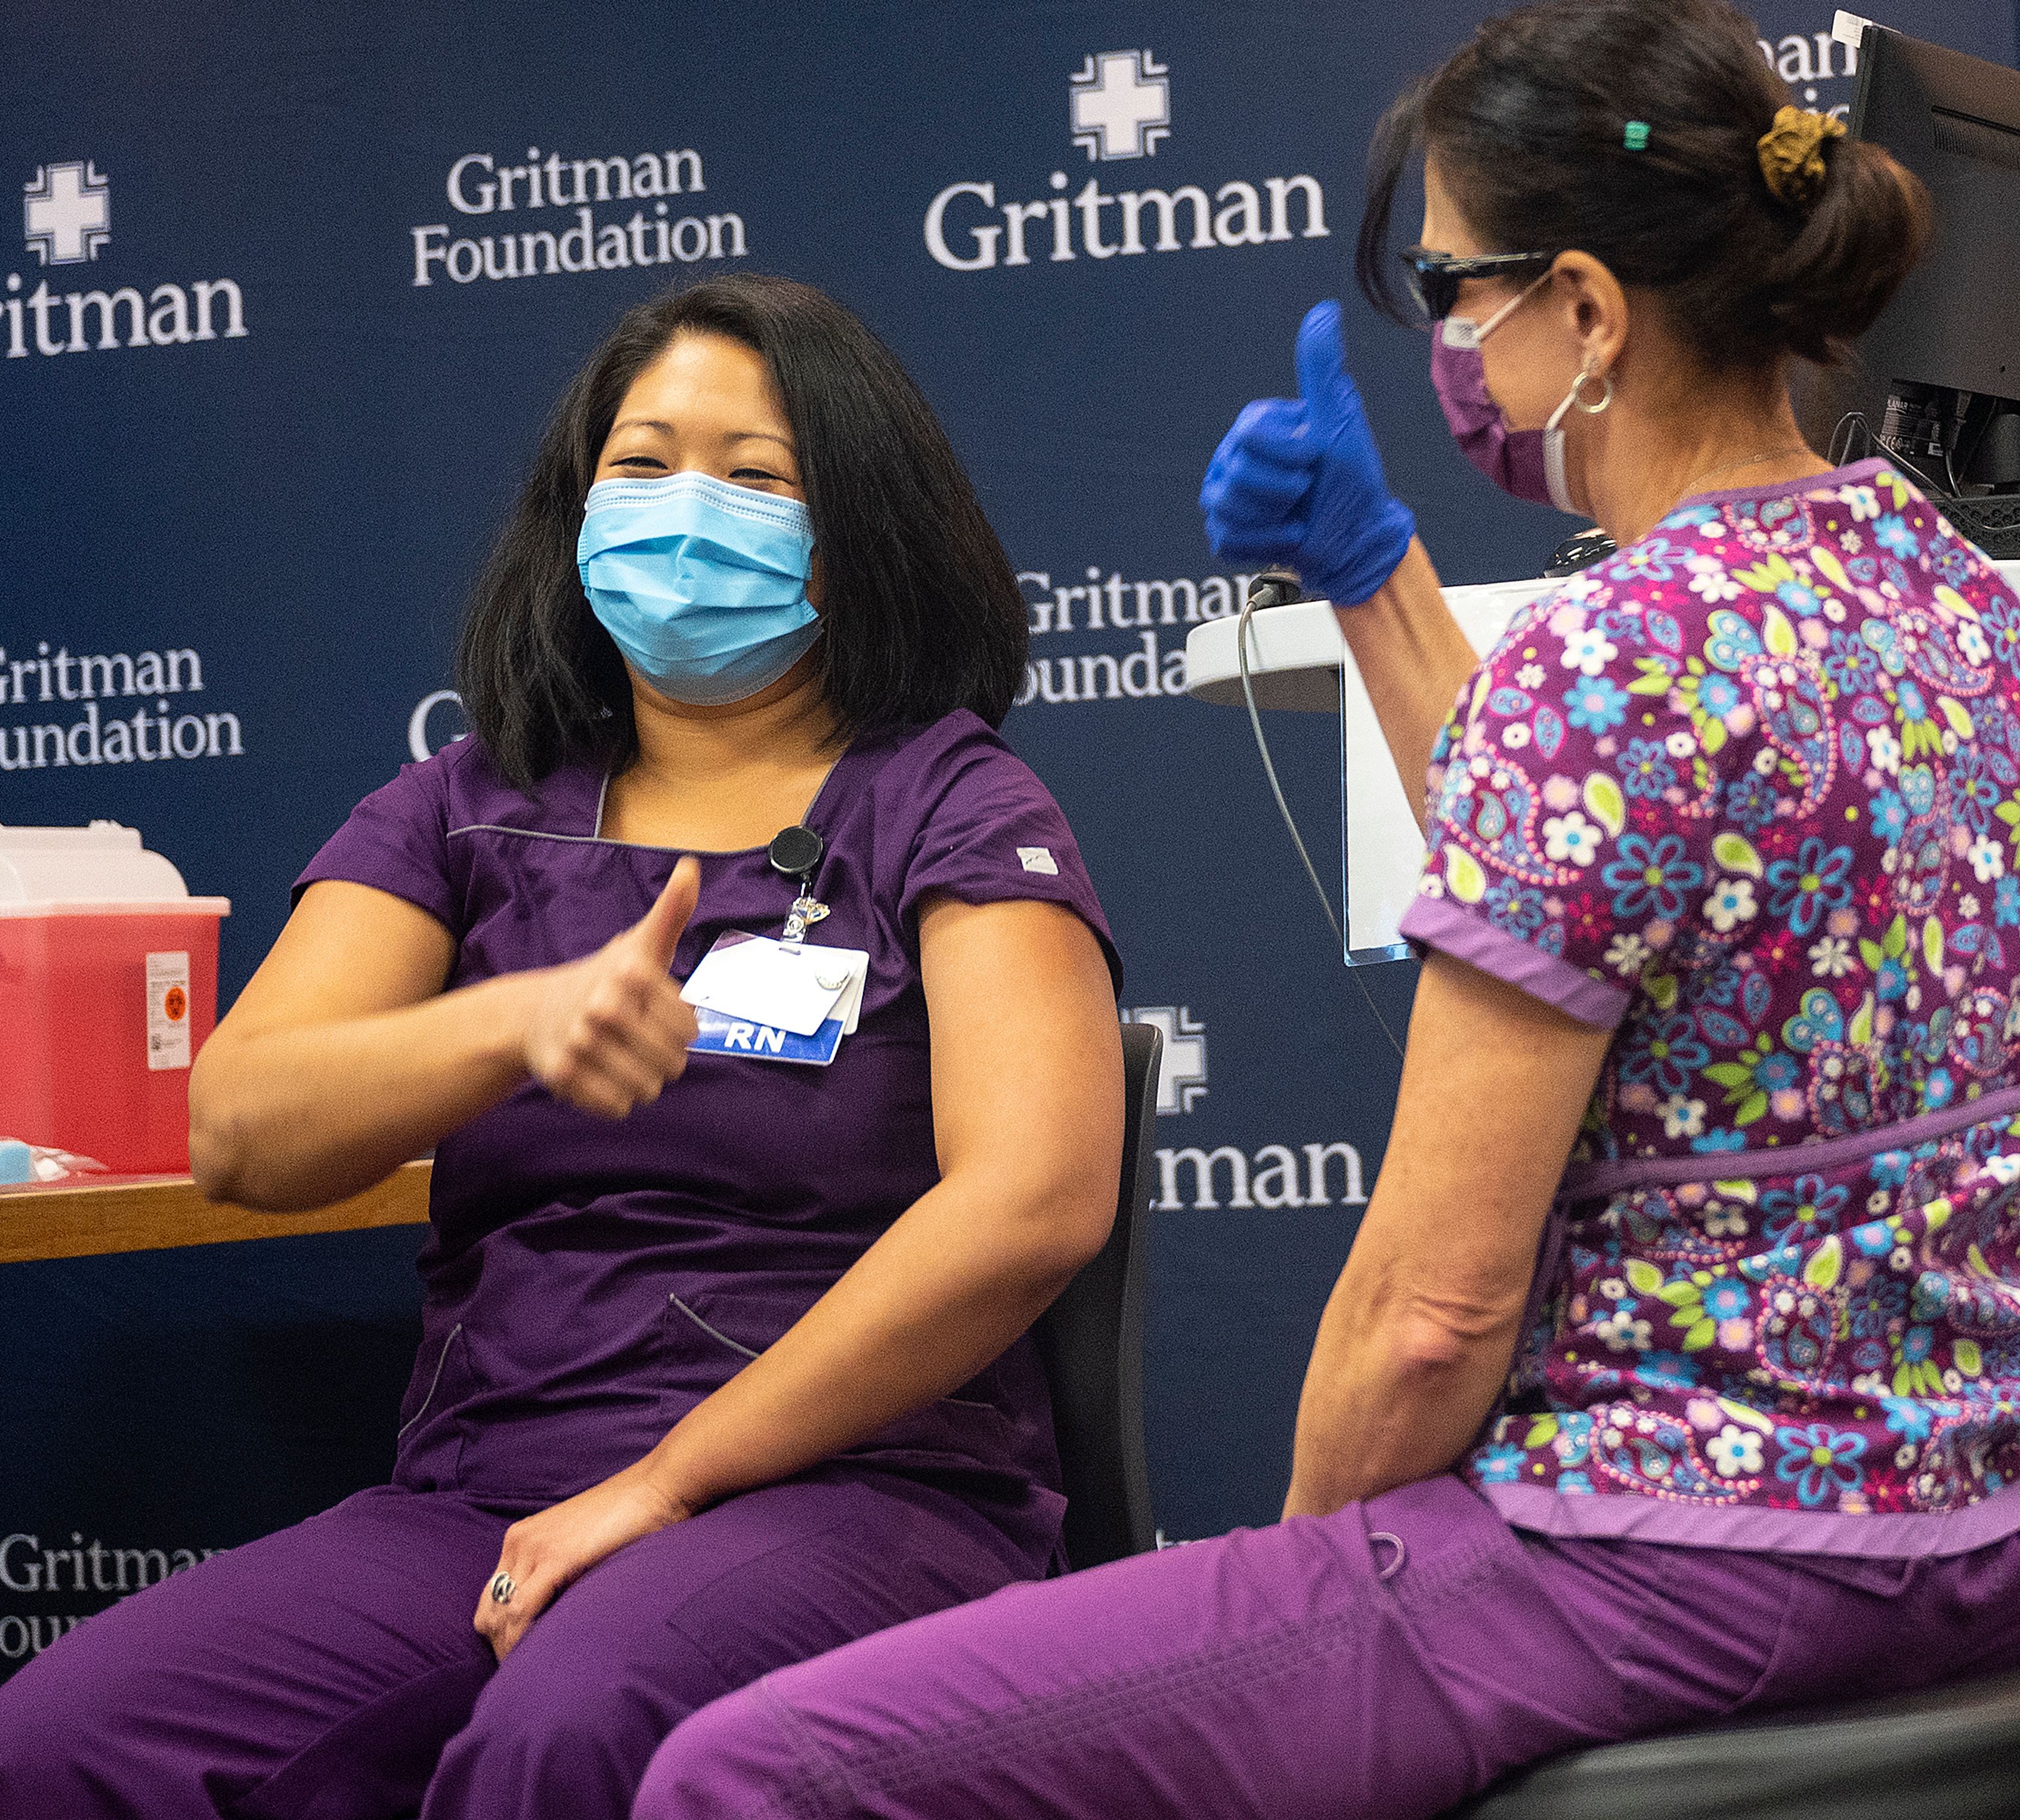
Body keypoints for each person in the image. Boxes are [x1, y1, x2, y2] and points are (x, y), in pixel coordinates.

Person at [632, 6, 2020, 1816]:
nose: (1447, 346)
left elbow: (1432, 1314)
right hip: (1960, 1532)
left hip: (1678, 1549)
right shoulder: (1953, 601)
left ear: (1588, 313)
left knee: (745, 1776)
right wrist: (1377, 581)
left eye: (1455, 290)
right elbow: (1620, 875)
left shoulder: (1618, 668)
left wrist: (1281, 1622)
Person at [0, 273, 1126, 1820]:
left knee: (575, 1731)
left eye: (756, 475)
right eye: (640, 463)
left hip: (854, 1492)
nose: (684, 508)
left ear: (858, 532)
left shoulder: (949, 804)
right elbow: (239, 1131)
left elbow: (1032, 1197)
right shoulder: (462, 808)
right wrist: (513, 1022)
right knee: (54, 1750)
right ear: (574, 514)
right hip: (489, 1497)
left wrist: (670, 1481)